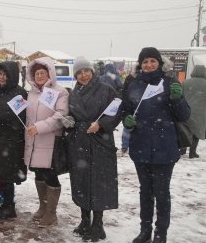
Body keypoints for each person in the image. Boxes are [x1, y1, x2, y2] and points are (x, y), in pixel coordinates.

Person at [121, 47, 190, 243]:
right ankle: (145, 231)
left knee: (161, 192)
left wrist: (178, 99)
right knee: (145, 191)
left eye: (152, 61)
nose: (149, 65)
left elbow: (184, 115)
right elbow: (125, 110)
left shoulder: (169, 82)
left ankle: (161, 233)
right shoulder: (133, 85)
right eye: (145, 62)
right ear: (140, 65)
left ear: (159, 63)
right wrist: (126, 119)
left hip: (165, 148)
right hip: (141, 147)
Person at [67, 57, 121, 241]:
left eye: (86, 71)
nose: (83, 75)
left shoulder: (106, 90)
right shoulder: (74, 93)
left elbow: (117, 111)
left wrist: (101, 125)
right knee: (81, 182)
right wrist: (69, 122)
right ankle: (84, 221)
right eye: (79, 73)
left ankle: (98, 225)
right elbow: (71, 115)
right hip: (79, 142)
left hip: (100, 142)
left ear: (92, 71)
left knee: (98, 183)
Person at [23, 57, 70, 227]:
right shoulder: (32, 93)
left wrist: (39, 126)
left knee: (50, 176)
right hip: (34, 142)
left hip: (50, 142)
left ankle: (51, 213)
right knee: (38, 174)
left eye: (43, 72)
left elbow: (61, 116)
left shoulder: (60, 92)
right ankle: (43, 207)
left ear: (50, 73)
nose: (40, 76)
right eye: (37, 73)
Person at [0, 61, 28, 219]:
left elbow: (16, 117)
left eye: (5, 74)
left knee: (8, 174)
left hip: (12, 141)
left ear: (12, 75)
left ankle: (10, 206)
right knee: (1, 173)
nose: (2, 77)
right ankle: (6, 204)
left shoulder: (20, 93)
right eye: (0, 74)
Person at [182, 65, 206, 159]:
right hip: (201, 112)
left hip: (186, 110)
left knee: (185, 131)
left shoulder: (185, 82)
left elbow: (181, 96)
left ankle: (182, 150)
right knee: (196, 132)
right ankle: (192, 152)